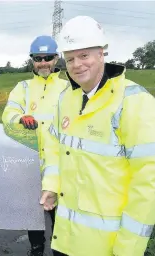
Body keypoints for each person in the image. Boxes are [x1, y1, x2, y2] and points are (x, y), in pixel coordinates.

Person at [40, 16, 155, 256]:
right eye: (70, 58)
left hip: (106, 247)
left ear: (102, 54)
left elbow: (148, 183)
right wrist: (51, 185)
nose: (76, 65)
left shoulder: (133, 101)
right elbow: (53, 147)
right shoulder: (66, 99)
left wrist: (128, 249)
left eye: (84, 56)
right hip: (65, 240)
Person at [2, 35, 68, 256]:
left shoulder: (68, 88)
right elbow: (8, 114)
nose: (43, 63)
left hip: (60, 165)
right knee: (34, 213)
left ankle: (59, 249)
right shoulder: (23, 87)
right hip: (30, 165)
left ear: (56, 58)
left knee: (60, 214)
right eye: (38, 58)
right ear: (32, 60)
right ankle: (36, 249)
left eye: (48, 57)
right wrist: (20, 118)